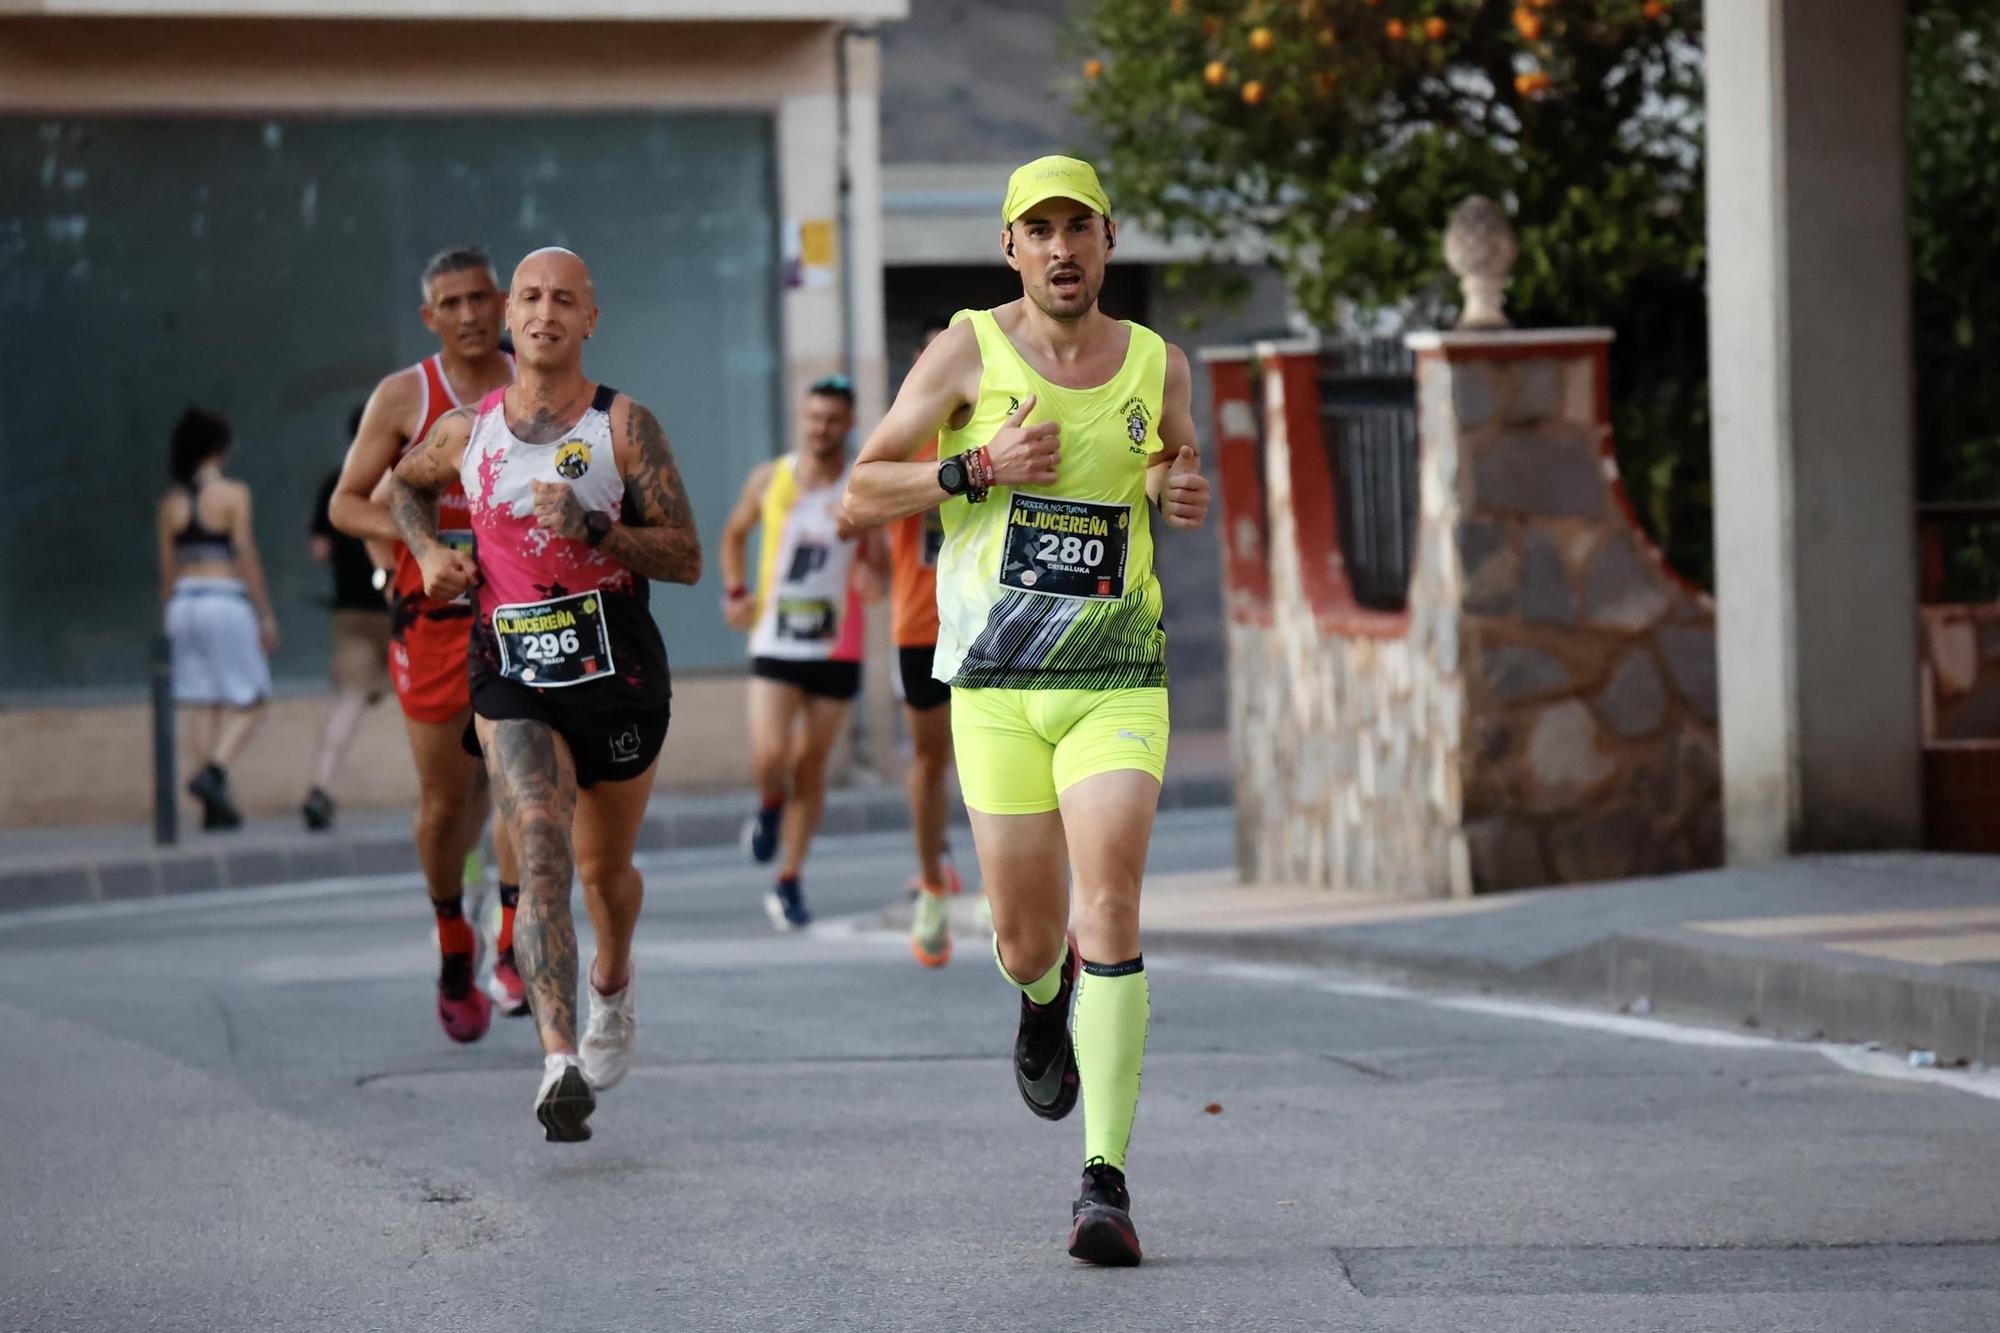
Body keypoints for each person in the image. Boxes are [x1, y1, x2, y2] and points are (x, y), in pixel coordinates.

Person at [842, 157, 1212, 1266]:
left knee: (1112, 902)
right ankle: (1039, 997)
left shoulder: (1157, 362)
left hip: (1114, 677)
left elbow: (1165, 462)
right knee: (1024, 935)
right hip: (996, 688)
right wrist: (973, 467)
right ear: (1010, 248)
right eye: (1037, 230)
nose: (1060, 248)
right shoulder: (965, 350)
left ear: (1107, 242)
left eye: (1079, 229)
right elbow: (862, 489)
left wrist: (1171, 486)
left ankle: (1103, 1179)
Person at [389, 246, 701, 1142]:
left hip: (619, 677)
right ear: (510, 314)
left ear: (588, 319)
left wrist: (600, 528)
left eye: (564, 298)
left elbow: (684, 555)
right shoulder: (465, 428)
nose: (543, 312)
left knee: (605, 874)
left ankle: (613, 982)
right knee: (537, 836)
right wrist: (425, 553)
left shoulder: (622, 427)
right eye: (529, 296)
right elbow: (404, 486)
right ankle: (558, 1059)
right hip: (513, 672)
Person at [329, 246, 524, 1043]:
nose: (471, 315)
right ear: (430, 316)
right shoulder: (407, 393)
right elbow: (349, 504)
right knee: (449, 802)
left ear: (504, 300)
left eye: (482, 298)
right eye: (453, 303)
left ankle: (516, 946)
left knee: (522, 779)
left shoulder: (537, 377)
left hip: (524, 603)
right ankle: (455, 942)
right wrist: (422, 545)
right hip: (433, 610)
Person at [719, 375, 888, 931]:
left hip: (837, 645)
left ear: (848, 424)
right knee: (771, 757)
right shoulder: (772, 477)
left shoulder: (859, 486)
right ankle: (769, 807)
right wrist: (736, 592)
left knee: (810, 766)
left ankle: (789, 878)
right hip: (775, 637)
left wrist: (870, 572)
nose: (822, 428)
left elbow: (880, 568)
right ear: (804, 418)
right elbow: (733, 534)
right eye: (814, 417)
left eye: (833, 420)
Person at [156, 406, 279, 831]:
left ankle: (213, 806)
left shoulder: (171, 503)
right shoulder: (232, 494)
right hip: (224, 599)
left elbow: (167, 570)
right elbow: (245, 553)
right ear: (218, 448)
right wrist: (264, 614)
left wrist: (167, 619)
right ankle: (214, 774)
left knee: (202, 700)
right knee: (253, 698)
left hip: (183, 604)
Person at [888, 314, 966, 967]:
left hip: (994, 618)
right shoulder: (907, 442)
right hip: (921, 624)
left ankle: (1026, 894)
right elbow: (853, 505)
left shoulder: (1000, 428)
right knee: (930, 761)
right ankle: (932, 885)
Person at [301, 407, 392, 832]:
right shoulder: (401, 481)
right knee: (436, 705)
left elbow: (319, 551)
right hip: (401, 611)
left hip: (351, 611)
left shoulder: (334, 485)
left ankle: (321, 788)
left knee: (350, 701)